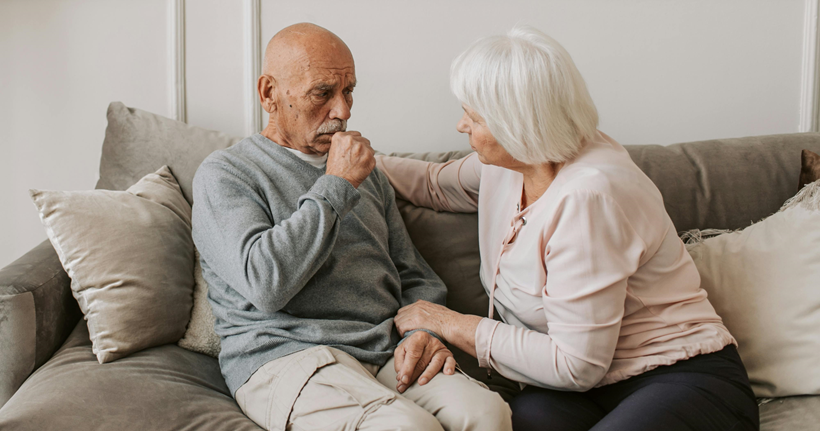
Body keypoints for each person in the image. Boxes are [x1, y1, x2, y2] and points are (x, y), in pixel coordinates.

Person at [376, 25, 759, 431]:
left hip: (676, 374)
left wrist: (449, 322)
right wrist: (350, 160)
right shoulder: (513, 165)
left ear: (515, 124)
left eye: (473, 116)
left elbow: (577, 365)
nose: (461, 125)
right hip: (575, 391)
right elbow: (434, 185)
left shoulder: (588, 197)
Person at [191, 23, 511, 431]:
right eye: (323, 93)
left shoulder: (367, 172)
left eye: (349, 91)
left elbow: (412, 272)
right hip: (288, 356)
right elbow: (266, 283)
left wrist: (425, 330)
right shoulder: (228, 173)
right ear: (269, 93)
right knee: (406, 427)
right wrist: (338, 185)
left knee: (488, 413)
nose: (343, 111)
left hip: (383, 347)